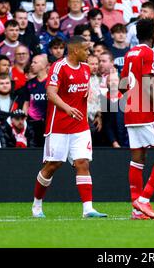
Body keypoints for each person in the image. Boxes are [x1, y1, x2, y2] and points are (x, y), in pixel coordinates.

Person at [32, 36, 107, 219]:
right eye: (86, 50)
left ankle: (88, 209)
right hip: (58, 126)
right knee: (52, 165)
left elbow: (84, 94)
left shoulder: (86, 69)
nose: (89, 53)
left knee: (83, 163)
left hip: (80, 127)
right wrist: (68, 108)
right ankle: (37, 206)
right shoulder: (59, 67)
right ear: (75, 50)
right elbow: (50, 93)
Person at [120, 18, 154, 220]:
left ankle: (136, 211)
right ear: (153, 35)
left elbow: (121, 85)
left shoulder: (129, 53)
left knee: (138, 158)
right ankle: (144, 200)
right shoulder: (149, 53)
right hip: (146, 112)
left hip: (130, 112)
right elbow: (146, 85)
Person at [23, 54, 48, 147]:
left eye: (35, 62)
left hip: (49, 123)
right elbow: (26, 103)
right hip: (33, 124)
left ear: (43, 65)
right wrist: (25, 119)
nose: (31, 65)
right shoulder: (29, 84)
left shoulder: (52, 82)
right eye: (32, 62)